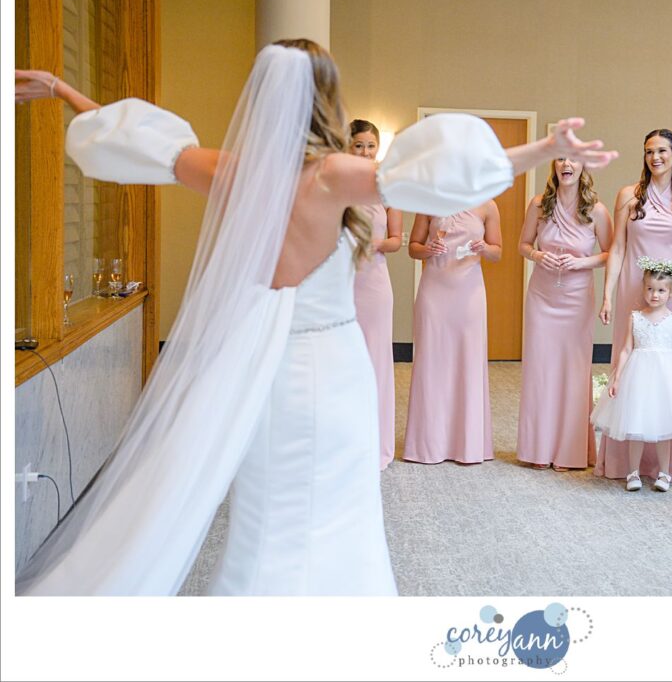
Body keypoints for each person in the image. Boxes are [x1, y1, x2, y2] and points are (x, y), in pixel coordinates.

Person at [13, 40, 617, 595]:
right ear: (328, 101)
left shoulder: (233, 169)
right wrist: (543, 149)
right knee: (339, 510)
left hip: (263, 370)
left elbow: (143, 145)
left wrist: (64, 91)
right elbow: (434, 177)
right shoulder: (332, 176)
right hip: (334, 366)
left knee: (265, 512)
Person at [595, 129, 672, 483]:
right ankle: (622, 464)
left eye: (662, 151)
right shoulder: (629, 195)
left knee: (669, 370)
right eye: (649, 151)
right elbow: (617, 247)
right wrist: (607, 293)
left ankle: (666, 467)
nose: (655, 157)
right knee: (629, 367)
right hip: (634, 285)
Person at [516, 157, 612, 471]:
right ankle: (538, 448)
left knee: (574, 370)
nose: (565, 164)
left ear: (583, 166)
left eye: (572, 158)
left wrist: (581, 263)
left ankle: (570, 452)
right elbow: (522, 244)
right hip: (542, 296)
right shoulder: (538, 205)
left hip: (577, 299)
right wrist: (538, 255)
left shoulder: (596, 210)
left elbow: (612, 253)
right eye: (560, 158)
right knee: (541, 368)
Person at [591, 258, 672, 491]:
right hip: (638, 376)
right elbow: (626, 349)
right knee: (636, 424)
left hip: (666, 379)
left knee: (665, 427)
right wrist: (619, 377)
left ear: (671, 292)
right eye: (650, 289)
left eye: (661, 290)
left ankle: (665, 473)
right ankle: (633, 472)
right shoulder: (636, 318)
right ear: (643, 289)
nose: (654, 295)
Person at [403, 201, 502, 464]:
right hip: (434, 292)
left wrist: (484, 248)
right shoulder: (428, 200)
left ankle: (467, 444)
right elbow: (413, 248)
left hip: (469, 293)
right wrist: (427, 249)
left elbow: (497, 252)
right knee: (431, 364)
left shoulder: (488, 206)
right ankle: (428, 444)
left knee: (467, 363)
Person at [349, 119, 403, 470]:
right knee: (346, 362)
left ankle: (377, 442)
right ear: (348, 147)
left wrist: (373, 244)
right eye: (359, 146)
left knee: (376, 363)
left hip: (376, 285)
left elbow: (397, 240)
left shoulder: (389, 188)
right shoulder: (340, 186)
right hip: (343, 283)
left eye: (370, 146)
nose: (365, 152)